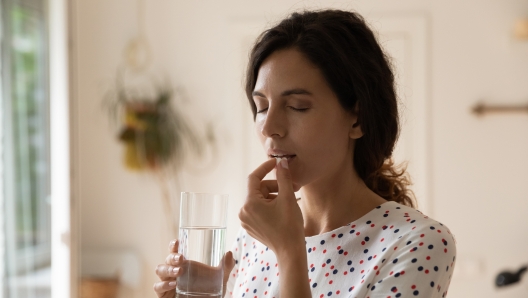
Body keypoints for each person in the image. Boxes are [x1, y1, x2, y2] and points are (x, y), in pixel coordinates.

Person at [154, 9, 456, 298]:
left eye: (297, 106)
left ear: (357, 119)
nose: (269, 127)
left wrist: (289, 251)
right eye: (261, 107)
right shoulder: (254, 238)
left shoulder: (418, 242)